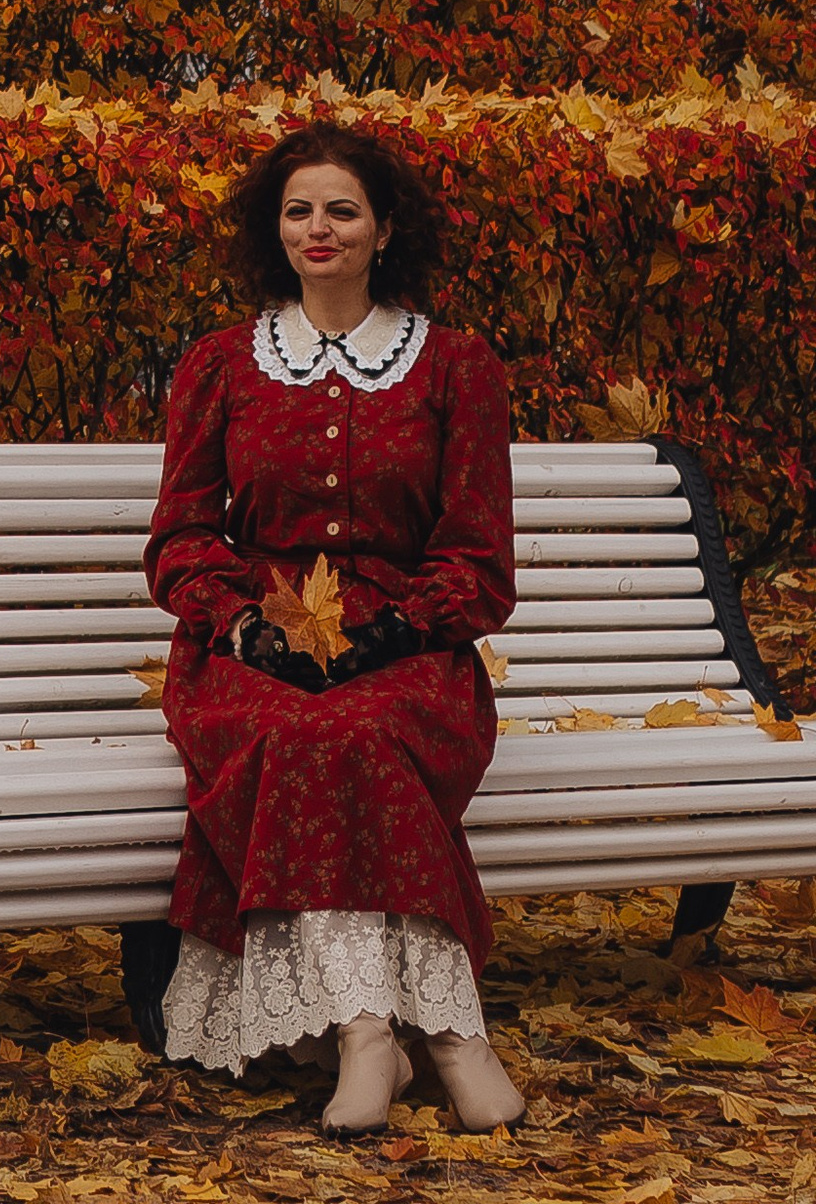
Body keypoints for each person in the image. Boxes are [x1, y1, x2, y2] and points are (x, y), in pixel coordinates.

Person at [142, 125, 526, 1135]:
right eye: (298, 210)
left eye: (341, 209)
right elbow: (180, 536)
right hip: (246, 653)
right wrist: (237, 621)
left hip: (413, 654)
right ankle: (394, 1036)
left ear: (383, 229)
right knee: (307, 732)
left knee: (356, 729)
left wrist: (402, 629)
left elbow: (480, 557)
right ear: (275, 232)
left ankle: (432, 1035)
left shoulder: (455, 367)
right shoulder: (223, 363)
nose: (319, 228)